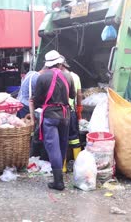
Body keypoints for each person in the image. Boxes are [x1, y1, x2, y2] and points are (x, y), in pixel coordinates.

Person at [31, 50, 75, 191]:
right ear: (60, 62)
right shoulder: (68, 76)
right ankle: (59, 176)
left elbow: (37, 99)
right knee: (62, 146)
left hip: (50, 116)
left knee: (53, 147)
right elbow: (72, 95)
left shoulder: (42, 78)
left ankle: (58, 182)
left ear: (48, 64)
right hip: (65, 115)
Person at [60, 59, 83, 169]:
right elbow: (79, 95)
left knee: (62, 138)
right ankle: (78, 165)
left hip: (61, 111)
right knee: (74, 137)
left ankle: (63, 167)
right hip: (72, 111)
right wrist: (79, 109)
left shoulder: (57, 76)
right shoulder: (75, 76)